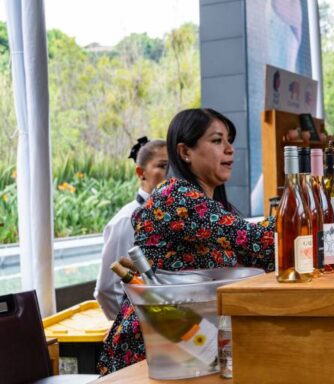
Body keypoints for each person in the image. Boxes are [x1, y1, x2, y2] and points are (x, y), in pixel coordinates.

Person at [97, 109, 276, 375]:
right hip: (154, 350)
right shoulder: (175, 197)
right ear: (184, 152)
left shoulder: (217, 209)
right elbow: (256, 240)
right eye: (217, 140)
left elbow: (264, 254)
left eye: (229, 141)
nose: (230, 149)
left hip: (193, 349)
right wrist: (308, 208)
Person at [94, 137, 167, 321]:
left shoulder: (171, 214)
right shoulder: (127, 220)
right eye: (162, 166)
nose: (170, 173)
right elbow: (108, 289)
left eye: (174, 167)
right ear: (141, 173)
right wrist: (136, 325)